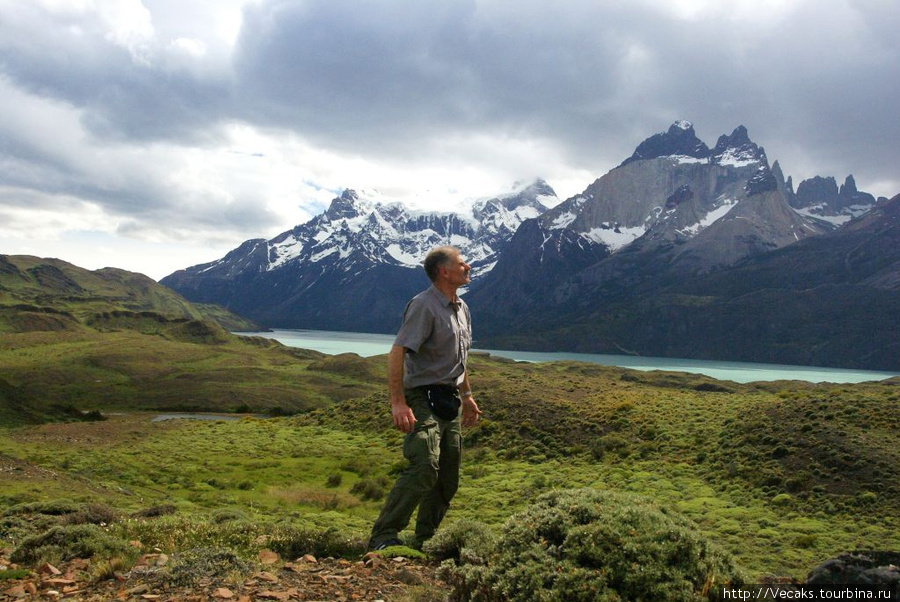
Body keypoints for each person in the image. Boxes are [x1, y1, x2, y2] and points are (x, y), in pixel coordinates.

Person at [367, 245, 482, 551]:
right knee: (424, 466)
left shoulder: (462, 308)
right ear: (444, 271)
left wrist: (467, 395)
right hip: (420, 396)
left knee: (447, 477)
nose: (468, 266)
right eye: (461, 263)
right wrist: (398, 402)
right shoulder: (423, 306)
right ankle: (383, 537)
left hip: (449, 399)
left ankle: (425, 540)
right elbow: (398, 351)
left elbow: (459, 359)